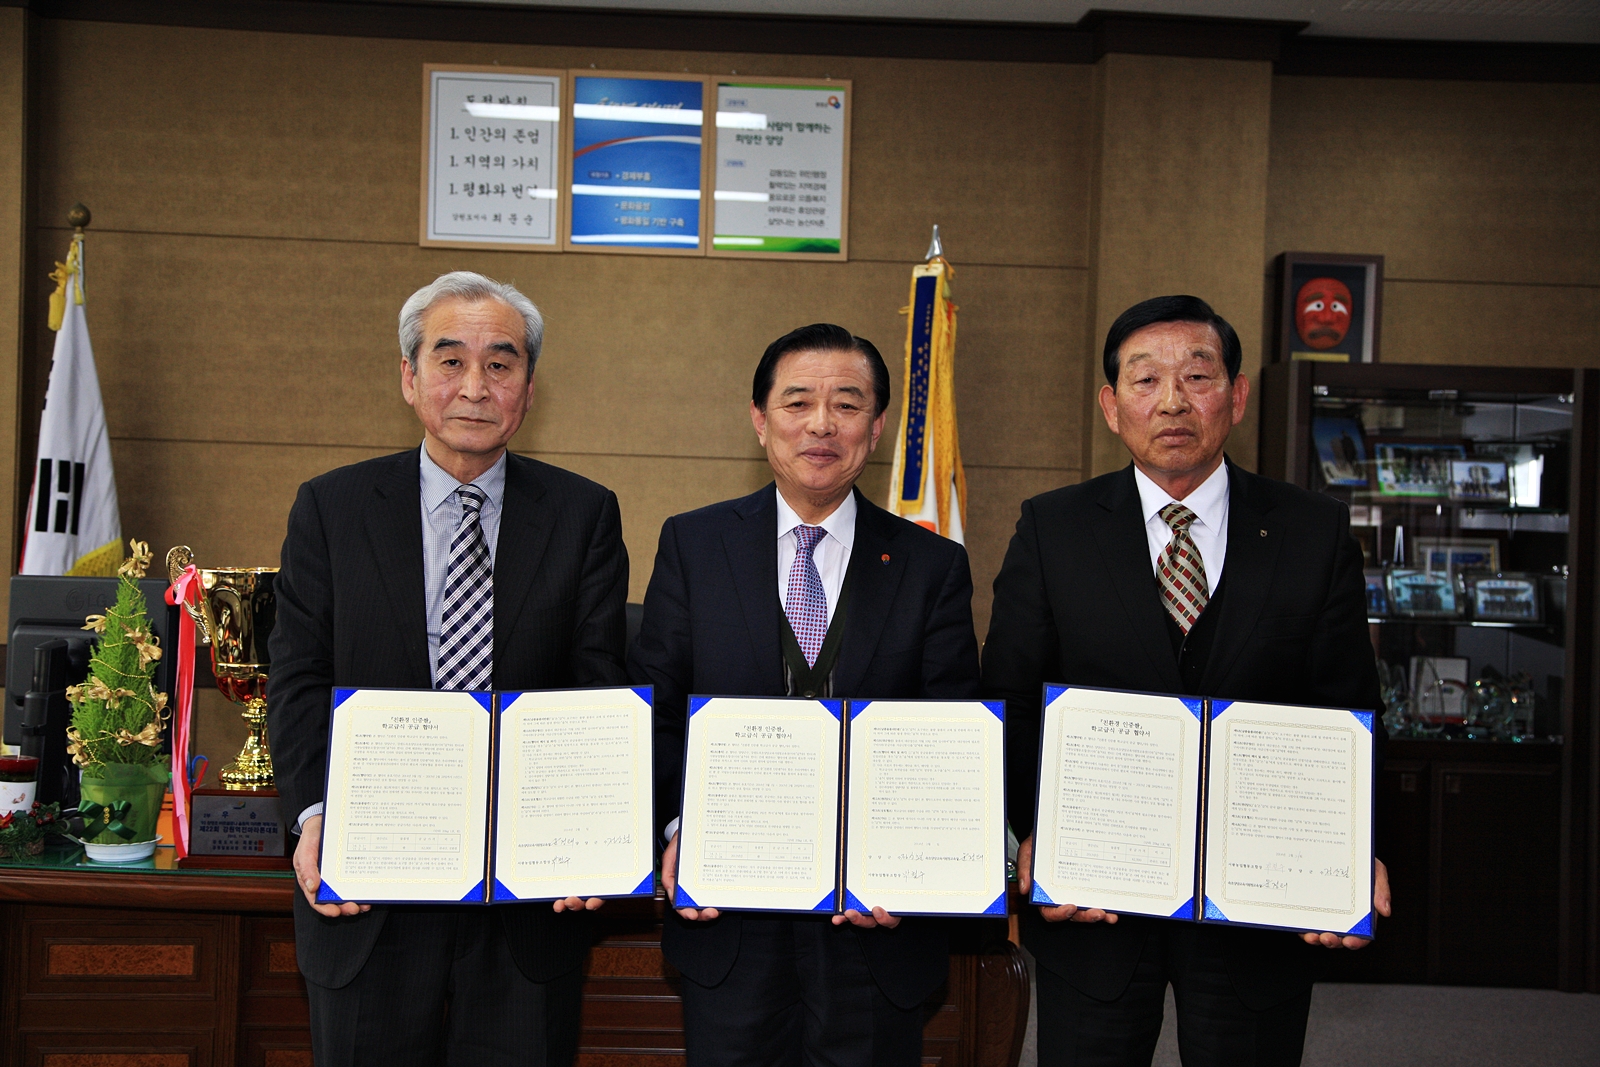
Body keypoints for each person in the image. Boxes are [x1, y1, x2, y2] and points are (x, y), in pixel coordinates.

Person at [983, 295, 1391, 1067]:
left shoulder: (1311, 530)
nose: (1172, 400)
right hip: (1093, 897)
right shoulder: (1054, 527)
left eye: (1197, 376)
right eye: (1145, 380)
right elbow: (1008, 700)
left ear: (1235, 396)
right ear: (1111, 406)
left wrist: (1354, 848)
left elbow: (1349, 707)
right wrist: (1021, 841)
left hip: (1260, 901)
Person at [267, 271, 629, 1067]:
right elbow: (296, 680)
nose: (475, 385)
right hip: (369, 891)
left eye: (500, 364)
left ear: (529, 388)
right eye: (449, 359)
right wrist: (314, 816)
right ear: (408, 377)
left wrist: (595, 836)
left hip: (526, 902)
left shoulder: (584, 514)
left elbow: (596, 689)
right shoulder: (330, 508)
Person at [632, 323, 982, 1067]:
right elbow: (657, 714)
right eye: (798, 402)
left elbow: (954, 738)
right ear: (760, 419)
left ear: (877, 426)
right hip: (729, 919)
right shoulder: (694, 545)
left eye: (847, 404)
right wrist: (672, 828)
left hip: (877, 922)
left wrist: (918, 856)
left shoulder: (932, 565)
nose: (822, 423)